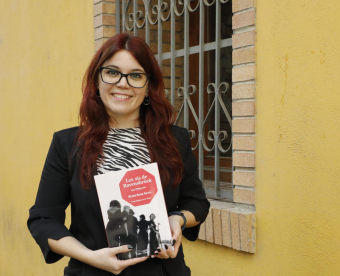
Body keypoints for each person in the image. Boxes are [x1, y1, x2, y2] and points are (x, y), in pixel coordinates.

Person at [27, 33, 210, 276]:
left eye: (135, 75)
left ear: (148, 87)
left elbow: (196, 202)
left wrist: (177, 220)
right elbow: (43, 220)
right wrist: (91, 257)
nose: (123, 83)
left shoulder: (174, 140)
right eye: (112, 72)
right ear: (97, 81)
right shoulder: (67, 144)